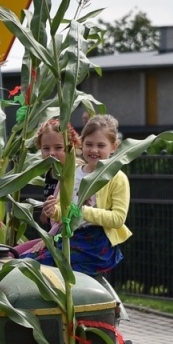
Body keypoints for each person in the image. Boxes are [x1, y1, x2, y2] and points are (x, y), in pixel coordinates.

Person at [41, 113, 131, 281]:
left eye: (101, 145)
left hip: (96, 244)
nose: (94, 150)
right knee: (30, 262)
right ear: (81, 143)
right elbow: (63, 210)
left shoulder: (117, 179)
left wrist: (82, 211)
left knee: (52, 268)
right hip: (70, 237)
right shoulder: (72, 173)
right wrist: (53, 211)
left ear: (114, 146)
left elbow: (118, 219)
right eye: (89, 144)